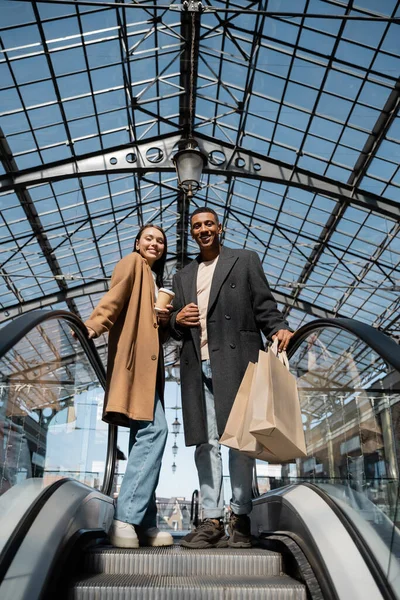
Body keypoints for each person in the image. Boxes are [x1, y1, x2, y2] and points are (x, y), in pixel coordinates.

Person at [170, 207, 293, 549]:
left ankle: (240, 516)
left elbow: (264, 304)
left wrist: (279, 327)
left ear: (219, 227)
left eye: (209, 223)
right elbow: (173, 330)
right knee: (205, 443)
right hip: (198, 366)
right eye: (197, 226)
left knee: (240, 440)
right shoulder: (183, 276)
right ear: (191, 233)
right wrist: (177, 319)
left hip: (239, 361)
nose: (203, 229)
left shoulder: (244, 259)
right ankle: (211, 519)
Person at [84, 224, 173, 549]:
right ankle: (125, 518)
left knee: (143, 437)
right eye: (149, 238)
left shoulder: (154, 279)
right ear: (137, 243)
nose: (155, 243)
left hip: (148, 372)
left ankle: (145, 522)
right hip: (134, 366)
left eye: (160, 241)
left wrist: (162, 321)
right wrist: (94, 324)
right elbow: (115, 297)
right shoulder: (133, 264)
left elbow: (154, 332)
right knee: (155, 431)